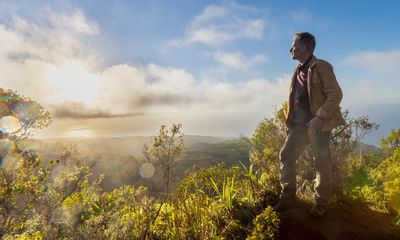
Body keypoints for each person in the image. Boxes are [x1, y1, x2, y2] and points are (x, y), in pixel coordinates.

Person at [273, 32, 345, 217]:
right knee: (286, 156)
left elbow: (335, 94)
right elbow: (295, 99)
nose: (291, 49)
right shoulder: (297, 70)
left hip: (317, 126)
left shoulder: (321, 66)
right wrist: (289, 121)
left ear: (304, 47)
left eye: (294, 45)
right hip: (298, 127)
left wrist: (320, 117)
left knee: (321, 163)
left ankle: (321, 204)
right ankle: (288, 198)